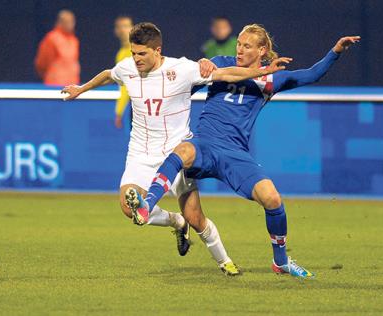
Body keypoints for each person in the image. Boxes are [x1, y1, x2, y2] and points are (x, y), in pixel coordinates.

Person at [129, 24, 360, 278]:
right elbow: (181, 85)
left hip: (234, 153)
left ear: (262, 50)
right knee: (182, 150)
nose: (239, 49)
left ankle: (280, 262)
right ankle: (146, 205)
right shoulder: (220, 63)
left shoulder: (271, 78)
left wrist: (336, 51)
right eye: (239, 43)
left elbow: (311, 74)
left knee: (272, 198)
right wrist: (198, 68)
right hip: (204, 143)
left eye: (246, 46)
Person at [61, 22, 289, 275]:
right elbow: (108, 74)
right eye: (133, 53)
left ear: (157, 50)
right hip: (140, 154)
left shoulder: (181, 69)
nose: (136, 59)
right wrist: (80, 89)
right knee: (129, 209)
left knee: (196, 218)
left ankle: (225, 262)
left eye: (142, 54)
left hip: (178, 153)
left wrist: (262, 71)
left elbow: (226, 74)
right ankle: (176, 221)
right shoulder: (127, 68)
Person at [35, 9, 80, 86]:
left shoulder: (74, 40)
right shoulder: (52, 38)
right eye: (67, 22)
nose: (71, 25)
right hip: (55, 84)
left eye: (72, 22)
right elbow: (41, 63)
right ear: (60, 22)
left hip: (73, 83)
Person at [113, 15, 133, 129]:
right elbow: (125, 85)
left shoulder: (140, 48)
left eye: (126, 26)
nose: (123, 30)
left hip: (150, 105)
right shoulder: (121, 54)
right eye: (120, 27)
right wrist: (119, 111)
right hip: (136, 106)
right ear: (116, 31)